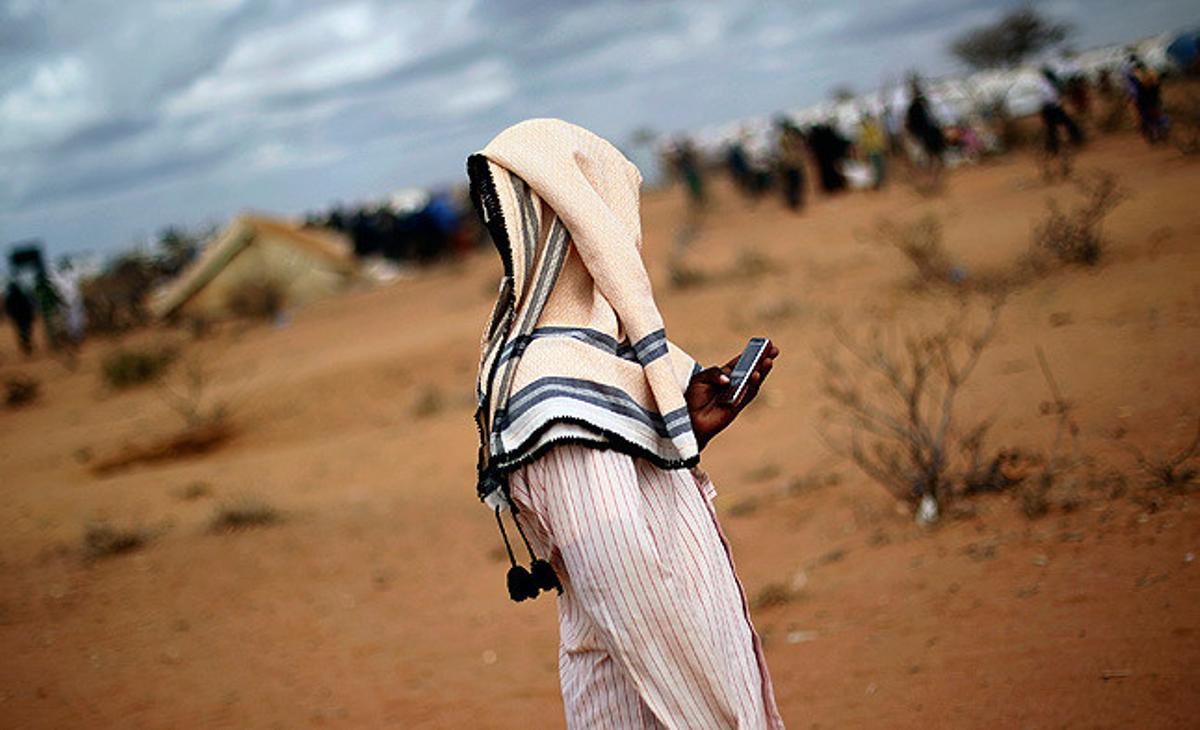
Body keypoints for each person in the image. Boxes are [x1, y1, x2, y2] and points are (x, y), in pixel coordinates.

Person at [468, 119, 785, 729]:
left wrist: (683, 434)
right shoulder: (549, 387)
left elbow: (642, 527)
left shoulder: (601, 359)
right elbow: (635, 597)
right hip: (653, 704)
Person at [905, 76, 946, 187]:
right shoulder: (917, 106)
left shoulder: (921, 105)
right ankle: (932, 178)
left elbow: (912, 123)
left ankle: (933, 178)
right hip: (926, 133)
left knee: (933, 156)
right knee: (931, 156)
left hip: (929, 132)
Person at [774, 118, 807, 210]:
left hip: (792, 164)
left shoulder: (787, 137)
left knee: (796, 184)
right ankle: (794, 203)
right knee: (794, 185)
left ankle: (796, 202)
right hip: (791, 165)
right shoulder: (786, 138)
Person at [4, 279, 36, 356]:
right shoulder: (22, 295)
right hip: (25, 316)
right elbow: (29, 305)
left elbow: (8, 308)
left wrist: (10, 315)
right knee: (26, 330)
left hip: (18, 317)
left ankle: (25, 342)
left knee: (22, 330)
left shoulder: (10, 297)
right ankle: (26, 342)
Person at [857, 113, 888, 190]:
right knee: (878, 167)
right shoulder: (870, 129)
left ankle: (879, 182)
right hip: (874, 150)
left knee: (877, 166)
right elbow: (864, 142)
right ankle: (879, 182)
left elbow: (864, 142)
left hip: (874, 150)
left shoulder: (868, 129)